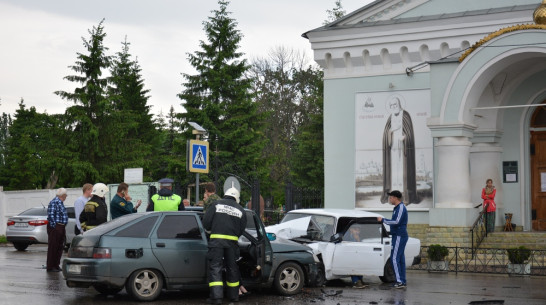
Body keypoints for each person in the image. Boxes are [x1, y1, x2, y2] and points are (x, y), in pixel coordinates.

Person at [202, 187, 247, 304]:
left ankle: (216, 298)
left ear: (225, 194)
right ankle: (234, 297)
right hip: (232, 244)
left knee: (215, 268)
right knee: (232, 268)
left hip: (217, 242)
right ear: (237, 198)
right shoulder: (241, 209)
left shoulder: (216, 205)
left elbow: (206, 223)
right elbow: (242, 229)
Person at [381, 96, 418, 204]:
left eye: (395, 105)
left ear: (399, 104)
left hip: (403, 148)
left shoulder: (405, 115)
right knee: (394, 171)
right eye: (391, 105)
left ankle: (405, 196)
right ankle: (392, 196)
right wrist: (390, 133)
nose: (393, 107)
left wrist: (405, 137)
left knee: (403, 170)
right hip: (393, 147)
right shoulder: (390, 117)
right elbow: (386, 133)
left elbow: (409, 131)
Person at [377, 190, 408, 289]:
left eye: (391, 197)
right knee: (400, 259)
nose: (390, 199)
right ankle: (402, 280)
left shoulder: (401, 207)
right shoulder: (397, 208)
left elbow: (396, 221)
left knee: (394, 258)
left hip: (399, 235)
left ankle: (399, 281)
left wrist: (383, 220)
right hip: (397, 235)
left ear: (395, 198)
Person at [46, 188, 69, 272]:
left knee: (60, 247)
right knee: (53, 247)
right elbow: (51, 215)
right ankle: (51, 266)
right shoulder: (54, 202)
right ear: (63, 195)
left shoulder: (60, 202)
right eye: (66, 195)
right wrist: (55, 227)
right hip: (56, 227)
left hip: (61, 226)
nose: (66, 197)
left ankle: (56, 265)